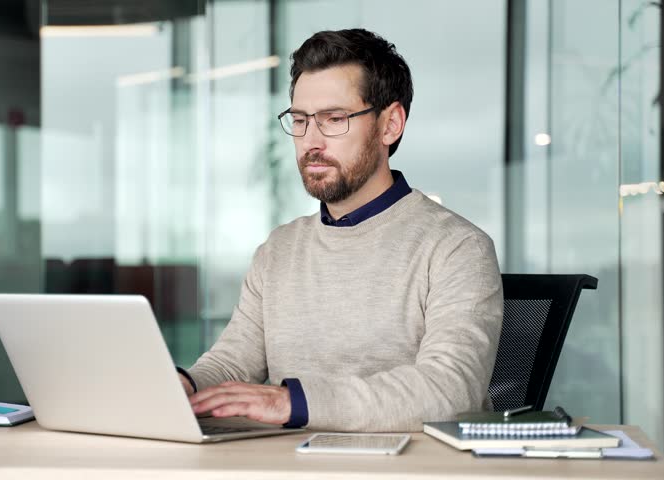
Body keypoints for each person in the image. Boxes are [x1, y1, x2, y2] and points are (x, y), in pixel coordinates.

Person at [178, 28, 503, 432]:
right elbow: (232, 363)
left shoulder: (457, 248)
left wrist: (292, 402)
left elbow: (450, 390)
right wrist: (184, 385)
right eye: (300, 120)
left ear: (390, 125)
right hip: (287, 465)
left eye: (334, 119)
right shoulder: (279, 249)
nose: (310, 141)